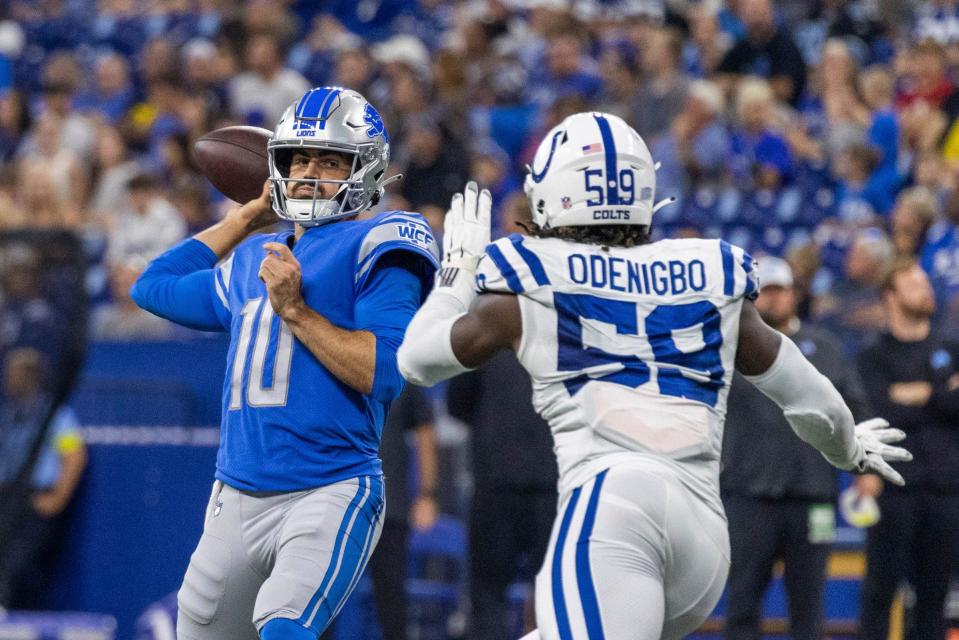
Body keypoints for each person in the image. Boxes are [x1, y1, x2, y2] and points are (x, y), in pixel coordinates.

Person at [397, 112, 910, 640]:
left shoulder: (530, 279)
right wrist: (848, 446)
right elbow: (807, 395)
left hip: (614, 509)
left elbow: (417, 359)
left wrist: (457, 271)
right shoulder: (707, 273)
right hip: (704, 541)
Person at [131, 87, 439, 640]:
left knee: (285, 627)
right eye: (298, 158)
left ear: (365, 170)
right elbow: (152, 286)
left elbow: (385, 372)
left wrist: (296, 310)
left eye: (329, 160)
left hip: (328, 486)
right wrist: (245, 220)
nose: (308, 172)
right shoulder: (254, 256)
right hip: (236, 491)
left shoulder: (382, 238)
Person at [721, 257, 871, 640]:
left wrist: (865, 471)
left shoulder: (825, 347)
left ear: (793, 294)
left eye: (779, 290)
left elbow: (856, 410)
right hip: (749, 493)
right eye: (764, 292)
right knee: (742, 602)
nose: (773, 300)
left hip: (812, 493)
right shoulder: (729, 350)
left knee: (808, 604)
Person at [855, 259, 959, 640]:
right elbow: (878, 411)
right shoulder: (872, 356)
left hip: (945, 490)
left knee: (934, 600)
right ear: (890, 296)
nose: (925, 289)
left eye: (925, 282)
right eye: (913, 283)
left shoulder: (951, 347)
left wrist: (919, 395)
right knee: (879, 594)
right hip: (893, 491)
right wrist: (942, 393)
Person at [0, 348, 86, 607]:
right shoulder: (7, 413)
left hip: (34, 498)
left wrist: (57, 497)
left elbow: (74, 455)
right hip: (6, 495)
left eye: (17, 374)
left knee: (16, 563)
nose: (9, 380)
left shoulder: (56, 416)